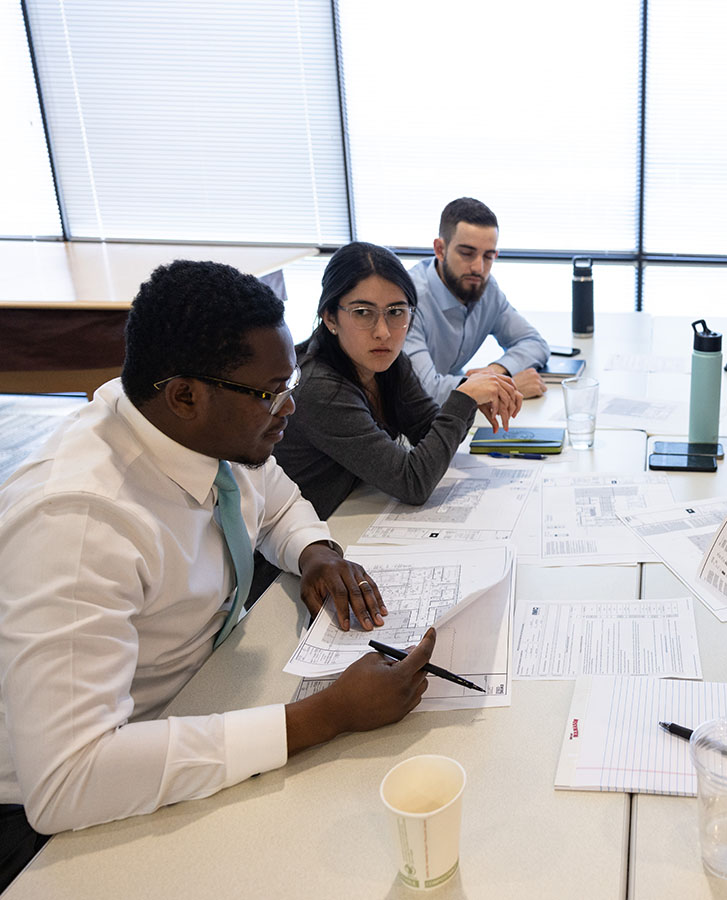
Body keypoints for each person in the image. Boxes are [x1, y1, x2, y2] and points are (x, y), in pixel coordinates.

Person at [0, 260, 439, 886]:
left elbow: (278, 502)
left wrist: (318, 553)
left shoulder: (215, 431)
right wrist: (325, 716)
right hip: (61, 818)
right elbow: (69, 780)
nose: (289, 406)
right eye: (271, 392)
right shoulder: (77, 521)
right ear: (184, 395)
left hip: (205, 693)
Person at [274, 242, 522, 519]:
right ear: (330, 317)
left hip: (346, 518)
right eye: (362, 312)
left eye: (395, 312)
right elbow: (412, 482)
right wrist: (463, 399)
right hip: (297, 549)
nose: (383, 332)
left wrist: (467, 401)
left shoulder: (387, 363)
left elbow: (427, 431)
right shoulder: (318, 387)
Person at [402, 197, 550, 404]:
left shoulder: (486, 289)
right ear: (440, 250)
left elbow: (535, 343)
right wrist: (507, 387)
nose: (478, 268)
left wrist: (495, 372)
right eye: (467, 253)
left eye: (488, 256)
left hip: (453, 417)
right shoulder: (406, 301)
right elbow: (426, 390)